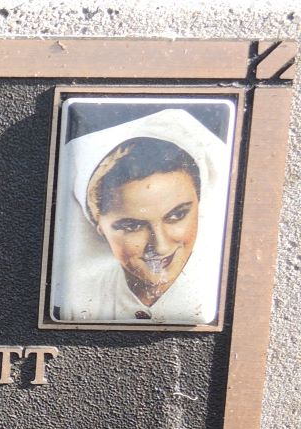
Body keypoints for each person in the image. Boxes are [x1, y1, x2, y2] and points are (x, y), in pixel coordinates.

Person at [50, 104, 232, 325]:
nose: (161, 246)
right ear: (100, 227)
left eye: (177, 215)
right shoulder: (81, 299)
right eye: (132, 226)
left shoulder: (224, 290)